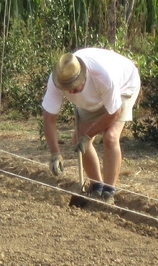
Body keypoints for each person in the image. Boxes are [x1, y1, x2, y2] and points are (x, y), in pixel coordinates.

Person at [42, 48, 141, 205]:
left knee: (110, 137)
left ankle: (108, 193)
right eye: (68, 88)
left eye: (75, 85)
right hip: (94, 99)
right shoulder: (57, 81)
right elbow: (49, 119)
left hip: (124, 86)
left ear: (82, 75)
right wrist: (55, 154)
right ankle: (96, 187)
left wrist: (88, 136)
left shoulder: (102, 76)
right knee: (77, 140)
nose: (72, 91)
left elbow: (114, 112)